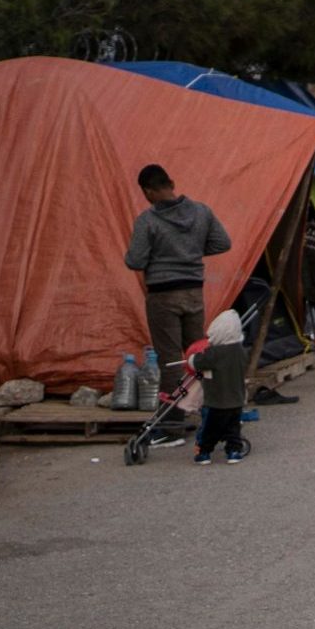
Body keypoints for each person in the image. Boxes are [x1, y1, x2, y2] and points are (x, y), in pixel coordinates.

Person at [123, 164, 230, 417]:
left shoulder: (147, 221)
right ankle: (215, 410)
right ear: (171, 183)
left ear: (148, 192)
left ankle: (173, 421)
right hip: (193, 292)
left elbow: (134, 261)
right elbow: (223, 242)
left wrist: (163, 256)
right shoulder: (202, 212)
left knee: (171, 360)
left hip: (163, 296)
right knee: (200, 353)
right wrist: (190, 253)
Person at [191, 310, 251, 465]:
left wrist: (191, 358)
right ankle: (233, 451)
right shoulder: (241, 351)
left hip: (217, 400)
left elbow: (197, 362)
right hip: (237, 399)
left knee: (210, 429)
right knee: (233, 429)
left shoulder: (214, 353)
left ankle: (204, 452)